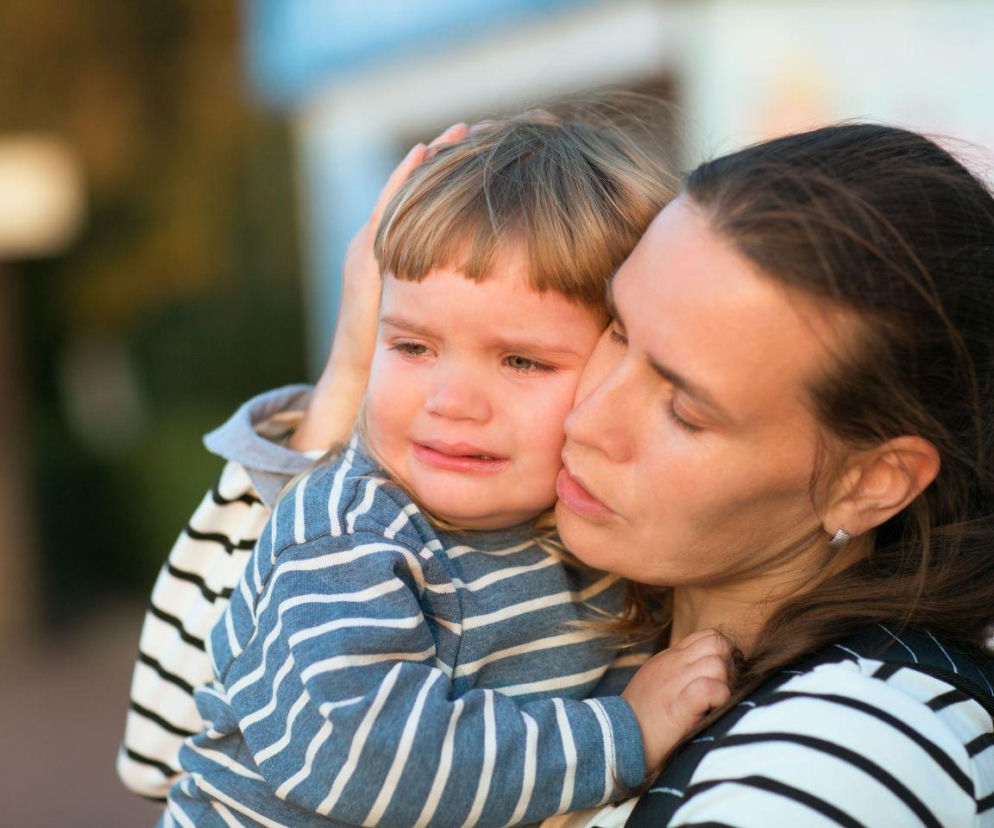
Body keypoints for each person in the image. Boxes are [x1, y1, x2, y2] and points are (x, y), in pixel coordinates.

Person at [127, 119, 994, 827]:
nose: (591, 418)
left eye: (683, 408)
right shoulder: (563, 551)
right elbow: (165, 740)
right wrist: (356, 369)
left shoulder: (833, 757)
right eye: (617, 332)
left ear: (870, 482)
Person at [128, 110, 736, 828]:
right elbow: (365, 759)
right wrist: (624, 733)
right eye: (413, 347)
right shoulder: (348, 532)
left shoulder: (604, 534)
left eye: (520, 361)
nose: (451, 402)